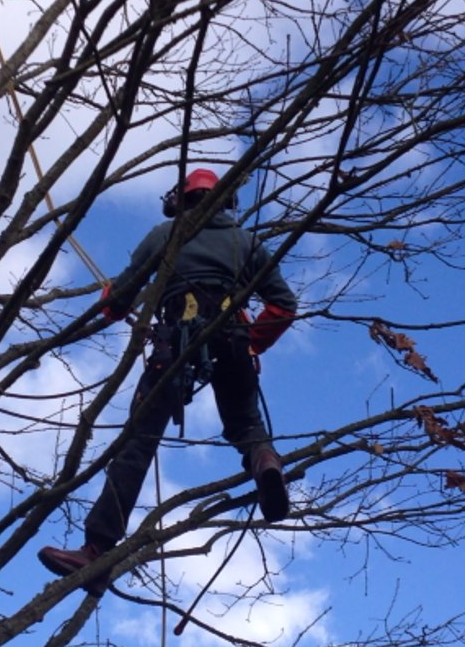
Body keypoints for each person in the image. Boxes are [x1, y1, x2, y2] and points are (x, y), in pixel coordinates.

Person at [38, 167, 299, 596]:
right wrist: (252, 341)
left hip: (174, 345)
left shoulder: (166, 235)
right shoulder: (246, 242)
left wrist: (111, 300)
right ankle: (265, 461)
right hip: (232, 338)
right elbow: (284, 305)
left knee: (137, 442)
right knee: (247, 426)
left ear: (181, 199)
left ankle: (98, 551)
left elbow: (119, 300)